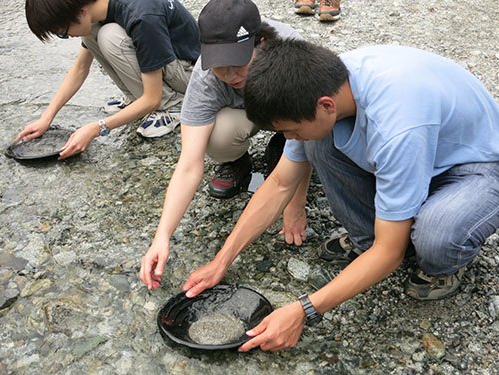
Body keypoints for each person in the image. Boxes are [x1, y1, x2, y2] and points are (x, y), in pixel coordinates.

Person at [180, 39, 499, 352]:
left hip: (476, 163)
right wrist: (222, 259)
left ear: (326, 106)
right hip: (422, 150)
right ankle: (369, 240)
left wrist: (302, 310)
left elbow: (391, 251)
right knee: (314, 141)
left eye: (289, 130)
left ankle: (443, 264)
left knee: (435, 237)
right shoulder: (318, 83)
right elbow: (279, 183)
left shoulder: (397, 126)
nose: (287, 138)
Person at [139, 0, 313, 290]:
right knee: (216, 138)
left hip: (290, 113)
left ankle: (284, 142)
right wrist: (162, 236)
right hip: (244, 117)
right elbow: (188, 165)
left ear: (262, 42)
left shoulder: (289, 51)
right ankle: (237, 161)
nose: (230, 75)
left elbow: (313, 132)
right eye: (220, 66)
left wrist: (296, 203)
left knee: (301, 136)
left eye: (237, 63)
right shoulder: (207, 76)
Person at [16, 0, 200, 159]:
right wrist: (46, 118)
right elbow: (80, 69)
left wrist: (97, 128)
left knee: (110, 36)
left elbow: (152, 99)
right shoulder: (98, 8)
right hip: (170, 65)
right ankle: (135, 98)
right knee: (93, 33)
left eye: (62, 32)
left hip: (191, 73)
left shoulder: (142, 17)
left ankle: (173, 106)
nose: (67, 37)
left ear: (81, 11)